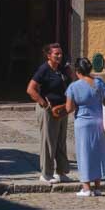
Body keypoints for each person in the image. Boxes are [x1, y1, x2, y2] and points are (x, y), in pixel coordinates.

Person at [63, 57, 105, 197]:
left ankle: (86, 188)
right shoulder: (99, 83)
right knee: (97, 154)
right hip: (99, 122)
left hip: (83, 124)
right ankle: (97, 188)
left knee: (84, 154)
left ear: (77, 71)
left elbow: (69, 108)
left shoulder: (73, 87)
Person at [27, 42, 71, 184]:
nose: (59, 56)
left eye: (60, 53)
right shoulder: (44, 69)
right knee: (48, 142)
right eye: (56, 54)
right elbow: (31, 89)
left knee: (60, 141)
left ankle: (61, 172)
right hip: (48, 111)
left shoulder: (62, 69)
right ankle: (46, 174)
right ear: (49, 55)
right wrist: (44, 103)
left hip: (61, 109)